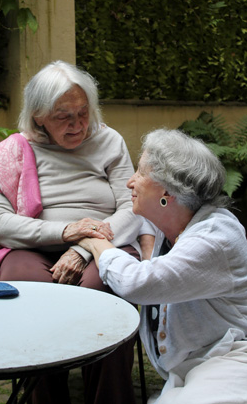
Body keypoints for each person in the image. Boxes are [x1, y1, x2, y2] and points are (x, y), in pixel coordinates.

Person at [0, 60, 155, 404]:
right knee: (27, 293)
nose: (78, 125)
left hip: (104, 243)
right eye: (63, 116)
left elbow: (132, 210)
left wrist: (85, 248)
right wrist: (67, 232)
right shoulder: (16, 149)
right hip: (34, 246)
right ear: (39, 115)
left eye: (83, 113)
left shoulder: (108, 141)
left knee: (104, 292)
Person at [78, 128, 247, 404]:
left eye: (141, 173)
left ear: (167, 189)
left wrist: (95, 245)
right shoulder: (168, 225)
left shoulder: (217, 235)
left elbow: (137, 283)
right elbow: (135, 224)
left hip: (229, 361)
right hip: (186, 372)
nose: (130, 182)